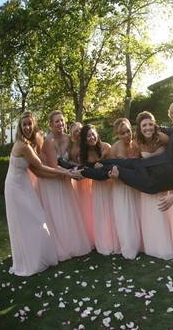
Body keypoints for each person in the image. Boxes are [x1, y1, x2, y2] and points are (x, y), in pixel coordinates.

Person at [77, 118, 173, 212]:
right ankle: (82, 166)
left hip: (151, 182)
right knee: (112, 162)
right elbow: (163, 129)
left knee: (115, 170)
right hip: (145, 164)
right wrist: (149, 128)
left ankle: (81, 172)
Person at [5, 111, 68, 276]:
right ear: (20, 127)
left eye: (29, 124)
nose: (27, 127)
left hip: (23, 184)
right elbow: (39, 166)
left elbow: (36, 169)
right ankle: (30, 261)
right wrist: (66, 173)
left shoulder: (29, 143)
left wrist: (58, 173)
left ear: (33, 125)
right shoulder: (22, 145)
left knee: (35, 218)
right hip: (14, 187)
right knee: (32, 220)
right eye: (24, 124)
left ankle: (38, 257)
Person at [37, 110, 91, 261]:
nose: (60, 124)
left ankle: (72, 244)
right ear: (51, 125)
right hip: (51, 180)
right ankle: (60, 247)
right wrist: (72, 173)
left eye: (62, 121)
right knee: (57, 212)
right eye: (56, 121)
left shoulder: (68, 138)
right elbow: (54, 166)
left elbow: (70, 160)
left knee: (68, 212)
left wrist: (79, 168)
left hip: (64, 178)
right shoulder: (49, 141)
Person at [134, 111, 173, 260]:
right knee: (150, 216)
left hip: (163, 183)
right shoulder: (137, 141)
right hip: (148, 183)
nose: (148, 128)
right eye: (144, 125)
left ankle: (168, 245)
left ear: (155, 125)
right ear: (139, 127)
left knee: (163, 214)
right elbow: (136, 161)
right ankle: (152, 246)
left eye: (151, 124)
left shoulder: (162, 138)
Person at [80, 124, 120, 255]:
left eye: (93, 134)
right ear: (84, 140)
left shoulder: (106, 147)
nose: (91, 137)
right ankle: (105, 243)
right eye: (88, 136)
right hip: (97, 186)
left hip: (109, 183)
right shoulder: (84, 154)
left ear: (97, 134)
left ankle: (117, 241)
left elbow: (114, 165)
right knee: (101, 214)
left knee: (113, 212)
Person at [107, 118, 141, 259]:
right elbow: (125, 164)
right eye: (123, 133)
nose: (127, 135)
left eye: (128, 131)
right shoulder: (119, 146)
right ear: (118, 135)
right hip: (121, 186)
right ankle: (129, 248)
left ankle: (138, 244)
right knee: (125, 216)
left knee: (135, 214)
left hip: (132, 184)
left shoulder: (134, 144)